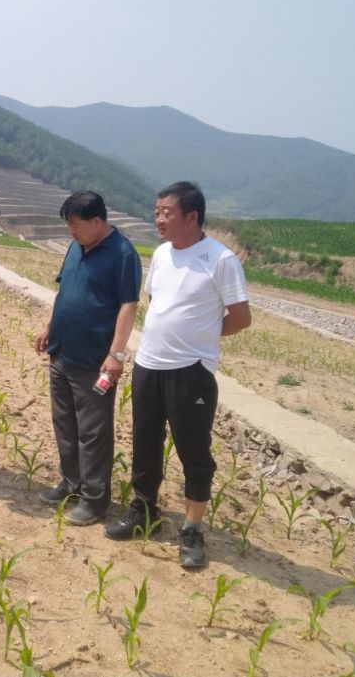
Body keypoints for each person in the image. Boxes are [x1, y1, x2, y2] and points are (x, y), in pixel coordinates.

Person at [105, 181, 251, 568]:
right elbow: (158, 303)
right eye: (156, 211)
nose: (159, 218)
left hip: (191, 372)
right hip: (149, 365)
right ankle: (145, 510)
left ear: (192, 216)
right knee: (145, 443)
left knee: (193, 451)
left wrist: (200, 337)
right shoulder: (162, 254)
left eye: (167, 212)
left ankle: (191, 528)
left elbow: (240, 318)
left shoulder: (220, 260)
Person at [34, 191, 141, 525]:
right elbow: (65, 290)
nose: (71, 230)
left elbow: (128, 305)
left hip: (95, 362)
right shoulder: (75, 247)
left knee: (93, 432)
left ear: (98, 221)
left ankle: (95, 501)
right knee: (64, 423)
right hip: (62, 351)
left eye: (75, 224)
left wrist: (116, 354)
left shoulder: (122, 253)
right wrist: (50, 325)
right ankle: (70, 482)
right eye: (68, 224)